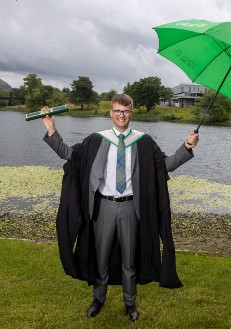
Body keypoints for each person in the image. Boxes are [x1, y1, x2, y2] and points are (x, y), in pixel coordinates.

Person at [42, 93, 199, 321]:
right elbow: (68, 155)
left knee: (130, 260)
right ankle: (99, 299)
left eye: (125, 111)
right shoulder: (96, 139)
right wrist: (52, 130)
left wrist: (186, 146)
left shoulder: (143, 142)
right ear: (111, 113)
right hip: (103, 207)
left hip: (130, 209)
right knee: (101, 258)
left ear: (131, 113)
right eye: (117, 111)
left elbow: (166, 165)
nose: (121, 115)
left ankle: (130, 303)